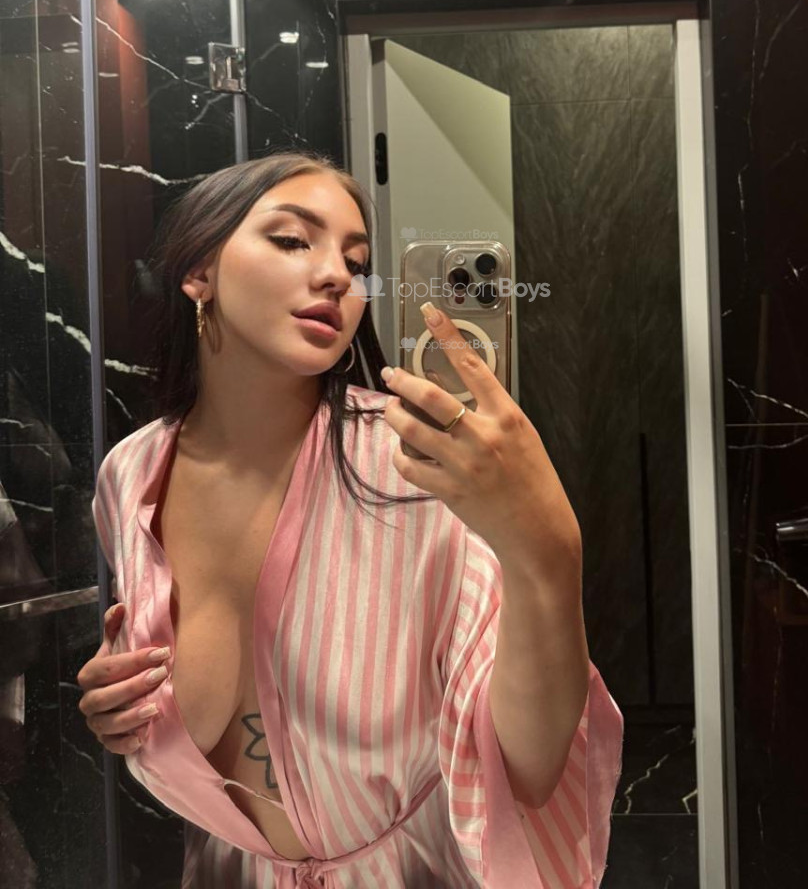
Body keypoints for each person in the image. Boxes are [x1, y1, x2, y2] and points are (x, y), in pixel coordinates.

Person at [76, 151, 624, 887]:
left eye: (358, 261)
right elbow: (156, 684)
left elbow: (527, 764)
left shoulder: (413, 465)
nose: (338, 274)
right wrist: (121, 710)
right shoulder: (131, 475)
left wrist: (547, 550)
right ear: (198, 272)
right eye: (292, 239)